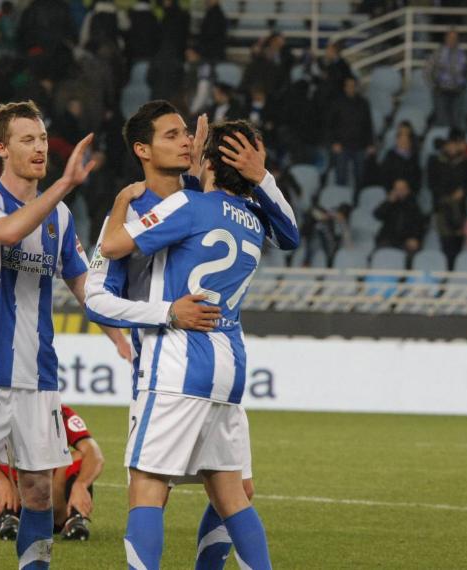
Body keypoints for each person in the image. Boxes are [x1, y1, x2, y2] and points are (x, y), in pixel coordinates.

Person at [98, 119, 299, 570]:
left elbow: (112, 245)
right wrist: (261, 176)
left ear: (207, 161)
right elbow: (292, 234)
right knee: (231, 492)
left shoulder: (187, 205)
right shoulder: (253, 221)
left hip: (178, 362)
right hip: (229, 364)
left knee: (146, 485)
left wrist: (120, 203)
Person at [0, 100, 129, 570]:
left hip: (38, 375)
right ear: (2, 148)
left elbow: (86, 287)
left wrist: (121, 335)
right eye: (28, 139)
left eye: (43, 139)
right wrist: (65, 184)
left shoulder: (61, 219)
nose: (40, 148)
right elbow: (7, 232)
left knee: (39, 493)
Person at [0, 404, 105, 541]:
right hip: (14, 486)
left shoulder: (61, 412)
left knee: (77, 458)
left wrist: (81, 484)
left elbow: (94, 453)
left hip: (52, 497)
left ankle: (75, 518)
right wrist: (0, 481)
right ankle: (7, 517)